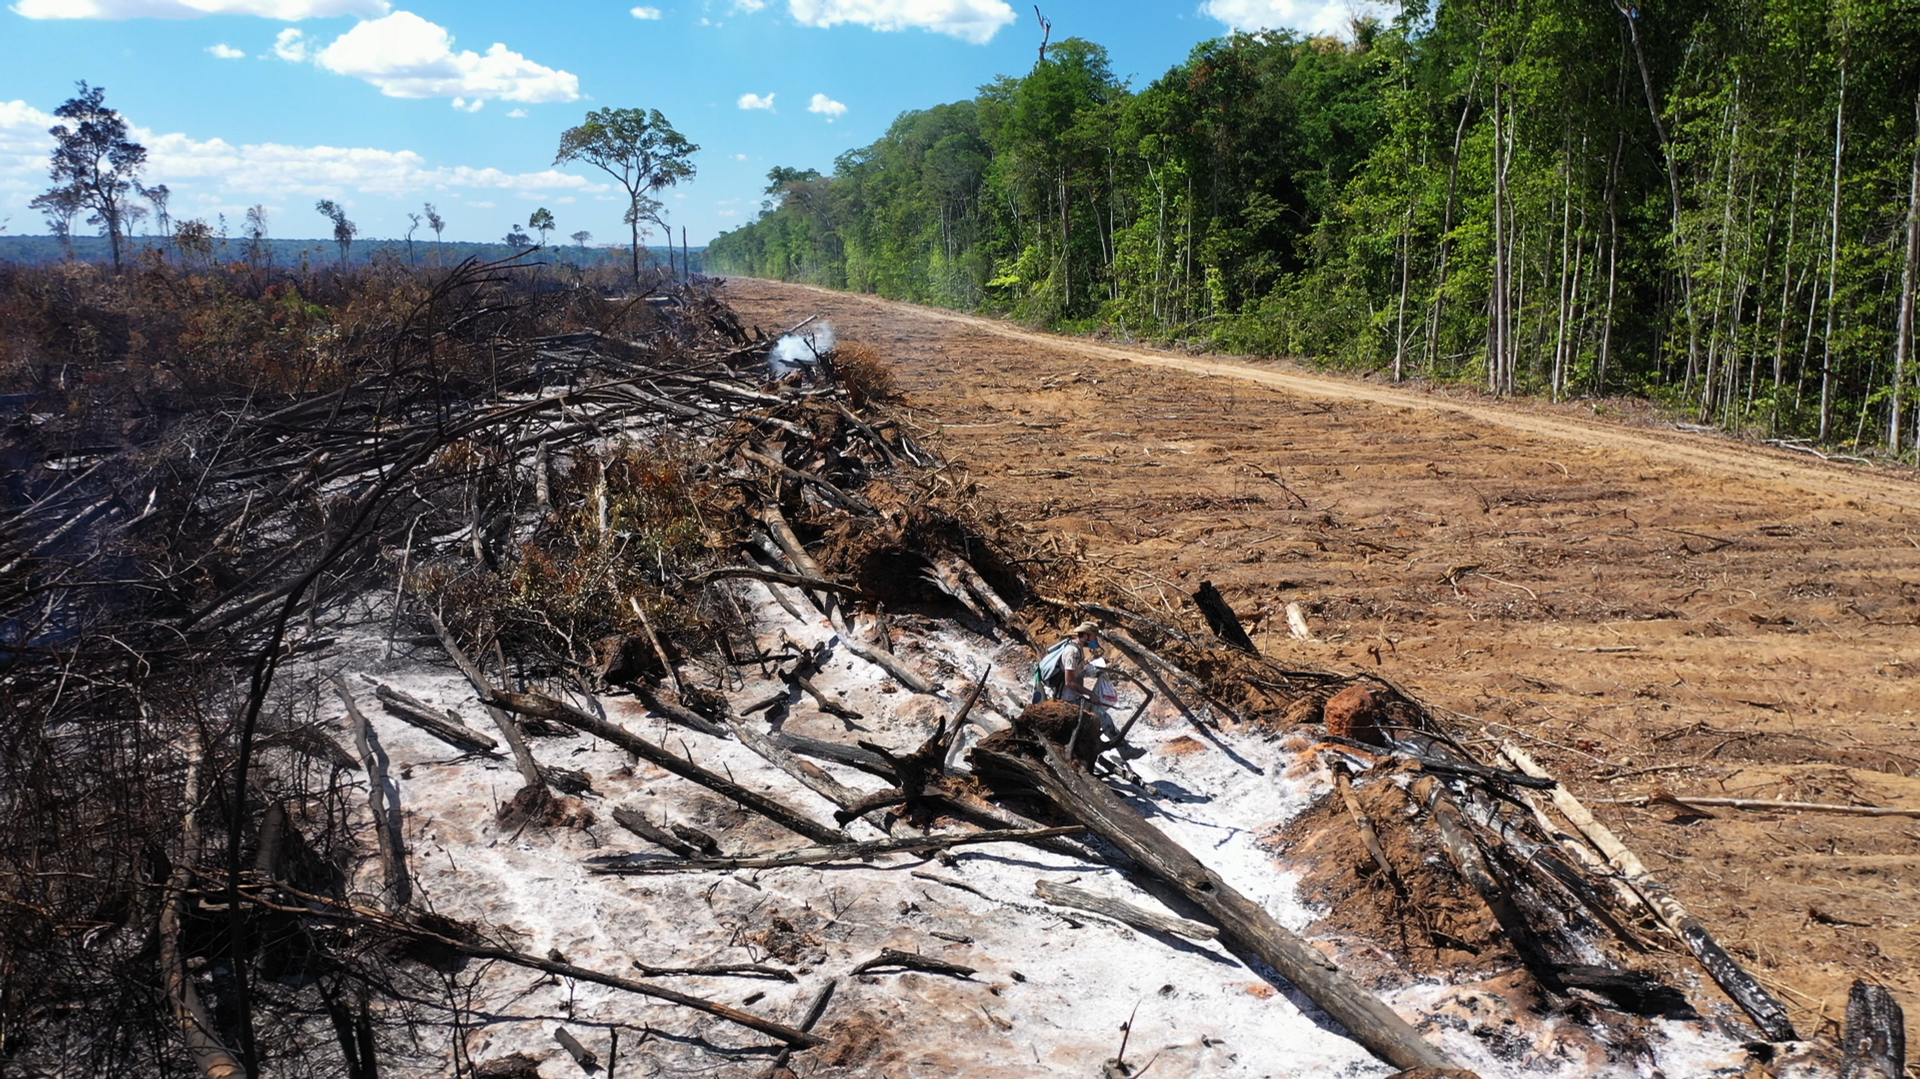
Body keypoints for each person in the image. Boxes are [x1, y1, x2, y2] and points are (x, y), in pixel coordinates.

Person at [1034, 621, 1102, 704]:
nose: (1095, 640)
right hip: (1065, 699)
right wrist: (1091, 694)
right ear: (1085, 636)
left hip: (1072, 696)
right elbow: (1069, 682)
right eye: (1094, 637)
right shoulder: (1072, 652)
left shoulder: (1078, 648)